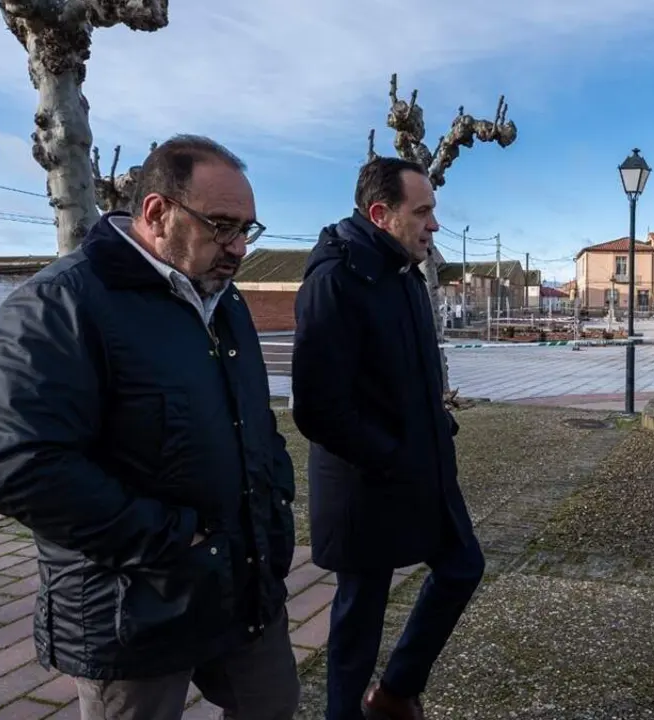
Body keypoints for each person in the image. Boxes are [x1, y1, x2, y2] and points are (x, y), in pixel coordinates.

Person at [0, 135, 300, 720]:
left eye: (249, 228)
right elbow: (18, 467)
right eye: (222, 225)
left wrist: (273, 509)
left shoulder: (225, 303)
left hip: (244, 583)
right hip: (133, 607)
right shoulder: (59, 305)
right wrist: (172, 539)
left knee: (274, 705)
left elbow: (254, 423)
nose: (239, 247)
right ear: (156, 213)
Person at [291, 156, 484, 720]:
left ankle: (396, 691)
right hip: (365, 482)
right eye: (422, 211)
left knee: (462, 567)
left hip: (424, 465)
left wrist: (436, 426)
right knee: (360, 614)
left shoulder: (404, 272)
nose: (434, 224)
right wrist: (392, 455)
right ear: (381, 214)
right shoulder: (334, 281)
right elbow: (318, 409)